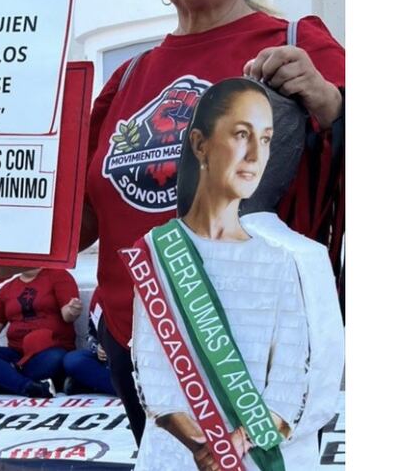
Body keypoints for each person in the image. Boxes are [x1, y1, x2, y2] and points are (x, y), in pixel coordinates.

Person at [0, 0, 345, 444]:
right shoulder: (126, 80)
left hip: (252, 352)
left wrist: (330, 103)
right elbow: (87, 215)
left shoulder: (296, 45)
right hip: (139, 349)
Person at [128, 78, 342, 470]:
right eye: (241, 134)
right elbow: (150, 372)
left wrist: (232, 447)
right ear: (199, 144)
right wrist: (199, 444)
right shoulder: (160, 249)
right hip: (173, 457)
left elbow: (302, 386)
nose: (254, 154)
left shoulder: (293, 259)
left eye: (266, 138)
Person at [0, 267, 82, 398]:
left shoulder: (59, 275)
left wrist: (72, 310)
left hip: (49, 350)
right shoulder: (7, 288)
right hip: (17, 354)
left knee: (56, 358)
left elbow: (67, 315)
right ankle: (28, 387)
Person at [62, 297, 116, 396]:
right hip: (107, 361)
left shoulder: (140, 290)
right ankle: (122, 387)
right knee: (73, 360)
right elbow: (91, 335)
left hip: (132, 359)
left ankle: (92, 386)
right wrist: (98, 348)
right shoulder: (99, 294)